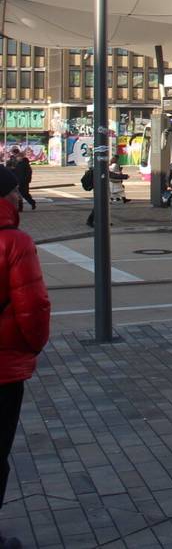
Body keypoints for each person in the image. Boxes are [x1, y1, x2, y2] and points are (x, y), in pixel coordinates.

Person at [0, 165, 50, 549]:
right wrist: (31, 348)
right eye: (15, 191)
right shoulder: (15, 242)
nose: (20, 196)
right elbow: (33, 308)